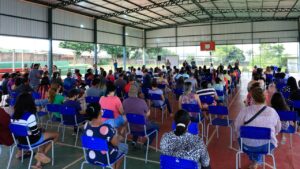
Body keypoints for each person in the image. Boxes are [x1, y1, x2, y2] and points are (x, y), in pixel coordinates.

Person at [234, 87, 281, 169]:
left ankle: (254, 161)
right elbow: (278, 128)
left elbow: (237, 126)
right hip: (267, 146)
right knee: (260, 142)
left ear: (252, 98)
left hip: (246, 144)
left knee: (251, 142)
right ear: (264, 98)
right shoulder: (272, 111)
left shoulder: (245, 111)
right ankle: (256, 160)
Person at [11, 92, 59, 169]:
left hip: (21, 141)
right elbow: (36, 133)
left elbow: (22, 129)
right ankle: (42, 153)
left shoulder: (13, 115)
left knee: (43, 133)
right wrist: (39, 129)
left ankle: (38, 164)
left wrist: (38, 129)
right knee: (56, 134)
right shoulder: (30, 116)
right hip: (31, 141)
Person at [83, 103, 127, 169]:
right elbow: (115, 144)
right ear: (100, 113)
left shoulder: (86, 125)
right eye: (101, 110)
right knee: (124, 147)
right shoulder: (106, 128)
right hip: (105, 159)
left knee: (107, 145)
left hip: (90, 157)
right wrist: (119, 135)